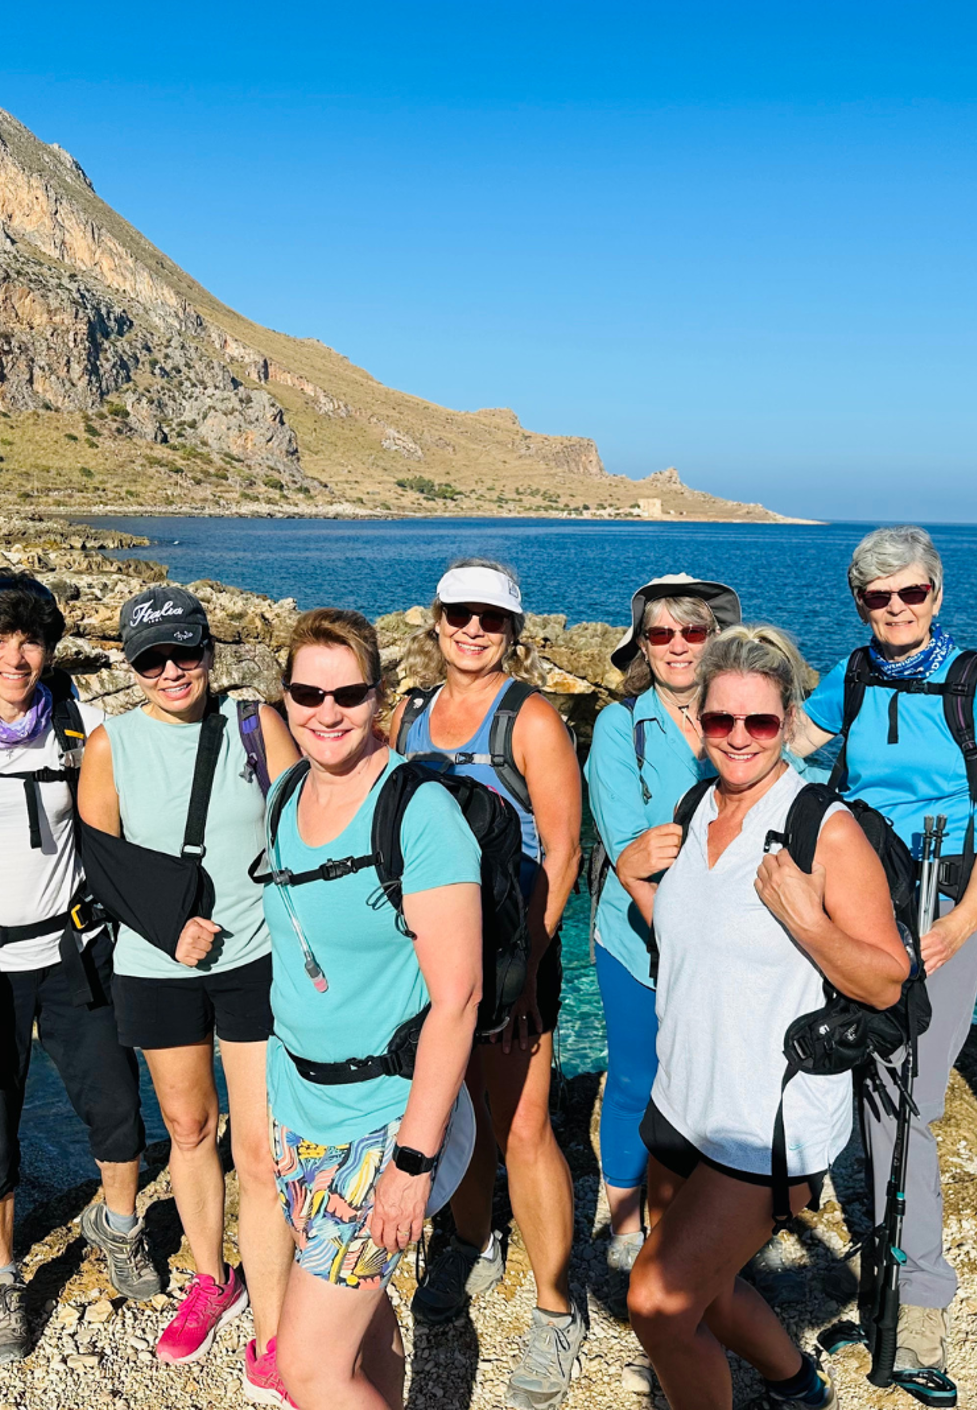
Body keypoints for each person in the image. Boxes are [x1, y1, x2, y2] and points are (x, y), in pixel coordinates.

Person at [624, 624, 910, 1410]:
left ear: (788, 720)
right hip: (682, 1100)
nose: (740, 738)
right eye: (722, 721)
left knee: (657, 1303)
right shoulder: (693, 806)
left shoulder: (822, 824)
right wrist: (628, 875)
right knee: (707, 1291)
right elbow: (692, 938)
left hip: (766, 1121)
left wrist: (809, 924)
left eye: (760, 721)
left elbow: (890, 981)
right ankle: (795, 1382)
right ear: (699, 723)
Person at [790, 524, 977, 1382]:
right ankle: (882, 1286)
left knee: (909, 1100)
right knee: (869, 1087)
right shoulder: (852, 676)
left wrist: (965, 921)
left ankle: (919, 1306)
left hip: (943, 897)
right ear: (859, 602)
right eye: (877, 596)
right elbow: (787, 744)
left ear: (937, 594)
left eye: (911, 593)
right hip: (861, 890)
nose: (895, 609)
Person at [0, 572, 147, 1365]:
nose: (16, 656)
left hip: (75, 949)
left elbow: (166, 772)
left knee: (114, 1105)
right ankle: (4, 1279)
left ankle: (120, 1227)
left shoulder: (85, 724)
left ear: (50, 647)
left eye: (32, 639)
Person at [77, 585, 302, 1398]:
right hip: (157, 965)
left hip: (256, 957)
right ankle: (214, 1278)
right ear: (131, 667)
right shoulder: (111, 744)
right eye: (152, 658)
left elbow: (307, 825)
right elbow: (100, 861)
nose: (173, 670)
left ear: (209, 651)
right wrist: (171, 927)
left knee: (261, 1149)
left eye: (186, 652)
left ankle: (274, 1328)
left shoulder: (254, 724)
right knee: (187, 1124)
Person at [259, 608, 484, 1409]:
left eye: (348, 693)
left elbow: (458, 999)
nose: (327, 711)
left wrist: (413, 1166)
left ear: (381, 695)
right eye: (307, 692)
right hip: (299, 1108)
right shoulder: (286, 794)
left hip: (384, 1121)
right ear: (283, 697)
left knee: (308, 1365)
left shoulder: (419, 813)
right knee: (365, 1322)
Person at [396, 558, 586, 1410]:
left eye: (491, 619)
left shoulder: (533, 720)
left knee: (523, 1127)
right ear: (436, 622)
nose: (473, 630)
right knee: (453, 1115)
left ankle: (556, 1309)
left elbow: (565, 851)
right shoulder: (410, 715)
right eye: (459, 615)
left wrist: (520, 976)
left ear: (513, 631)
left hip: (512, 957)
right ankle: (472, 1238)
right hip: (432, 959)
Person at [585, 574, 742, 1272]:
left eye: (694, 631)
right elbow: (628, 858)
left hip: (724, 943)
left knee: (706, 1079)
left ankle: (688, 1215)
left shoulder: (739, 717)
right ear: (642, 645)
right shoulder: (621, 726)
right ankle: (625, 1223)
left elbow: (792, 798)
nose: (678, 645)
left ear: (714, 639)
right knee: (634, 1076)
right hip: (635, 940)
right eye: (661, 633)